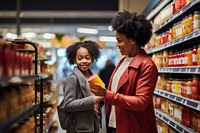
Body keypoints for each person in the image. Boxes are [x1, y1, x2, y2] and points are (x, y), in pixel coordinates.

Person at [91, 10, 158, 133]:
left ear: (132, 40)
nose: (117, 45)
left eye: (119, 40)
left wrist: (107, 94)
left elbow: (141, 102)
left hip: (131, 127)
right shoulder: (124, 61)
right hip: (114, 123)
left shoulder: (147, 65)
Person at [63, 40, 104, 133]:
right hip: (78, 128)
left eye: (87, 58)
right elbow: (68, 104)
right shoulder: (72, 79)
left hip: (92, 124)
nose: (84, 61)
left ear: (92, 59)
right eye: (80, 58)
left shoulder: (91, 76)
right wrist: (93, 100)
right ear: (74, 59)